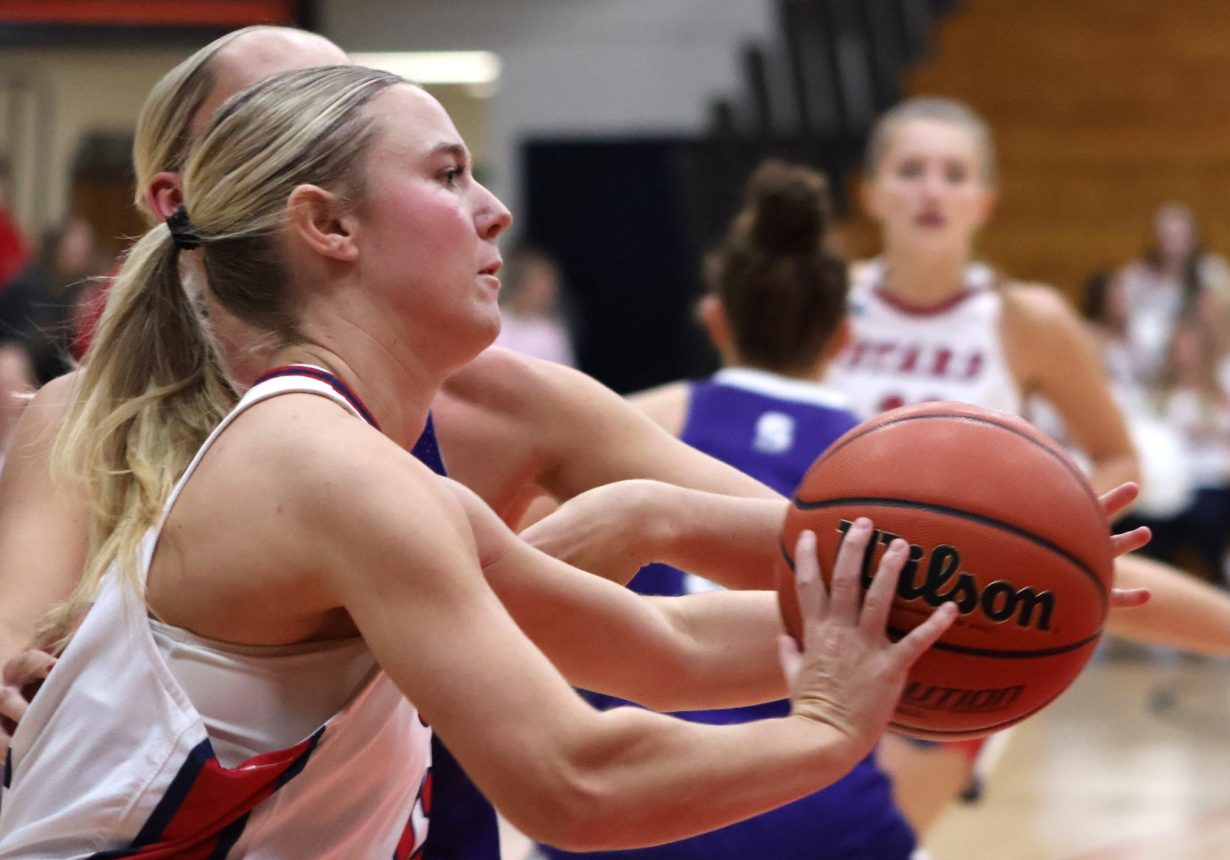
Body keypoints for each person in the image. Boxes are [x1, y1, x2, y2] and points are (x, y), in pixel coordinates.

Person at [0, 64, 958, 858]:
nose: (495, 211)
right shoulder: (323, 468)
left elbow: (664, 647)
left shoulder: (363, 469)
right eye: (450, 175)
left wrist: (947, 616)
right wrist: (826, 732)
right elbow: (576, 782)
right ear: (328, 225)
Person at [819, 94, 1230, 835]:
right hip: (830, 594)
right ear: (872, 193)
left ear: (983, 201)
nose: (931, 189)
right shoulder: (826, 302)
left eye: (954, 174)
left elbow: (1117, 453)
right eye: (910, 170)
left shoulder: (1026, 317)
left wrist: (1054, 524)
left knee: (864, 835)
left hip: (959, 605)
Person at [541, 161, 919, 859]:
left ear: (715, 320)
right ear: (844, 336)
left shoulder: (626, 426)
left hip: (640, 806)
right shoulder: (888, 464)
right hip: (820, 813)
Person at [492, 244, 576, 366]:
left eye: (550, 290)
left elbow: (564, 372)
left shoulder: (550, 333)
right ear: (521, 285)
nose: (547, 295)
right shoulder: (493, 322)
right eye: (539, 288)